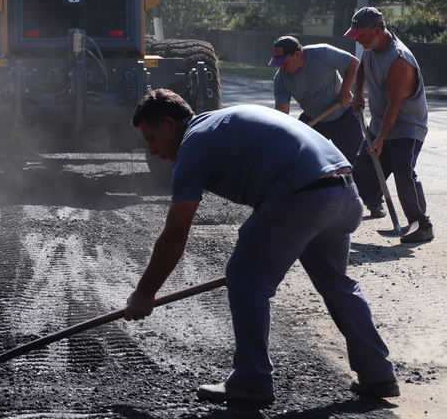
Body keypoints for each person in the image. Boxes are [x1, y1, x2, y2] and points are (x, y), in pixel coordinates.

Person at [127, 88, 397, 405]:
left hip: (302, 195)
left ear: (170, 124)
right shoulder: (220, 121)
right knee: (337, 283)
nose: (153, 151)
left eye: (151, 138)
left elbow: (175, 233)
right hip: (344, 192)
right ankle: (378, 373)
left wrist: (145, 292)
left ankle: (251, 379)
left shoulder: (193, 145)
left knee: (246, 277)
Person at [345, 7, 434, 243]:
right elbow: (363, 66)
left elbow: (394, 105)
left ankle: (423, 225)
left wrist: (381, 139)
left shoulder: (399, 60)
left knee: (403, 173)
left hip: (407, 127)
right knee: (362, 172)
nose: (358, 39)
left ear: (376, 30)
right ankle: (342, 215)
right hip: (380, 123)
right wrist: (358, 93)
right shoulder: (371, 47)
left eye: (360, 35)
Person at [270, 36, 367, 193]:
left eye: (285, 62)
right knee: (302, 159)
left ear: (297, 54)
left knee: (358, 159)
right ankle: (309, 197)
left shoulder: (322, 53)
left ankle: (373, 200)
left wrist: (345, 91)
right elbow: (282, 113)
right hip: (313, 120)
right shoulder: (281, 80)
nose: (282, 67)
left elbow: (354, 63)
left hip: (343, 117)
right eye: (278, 63)